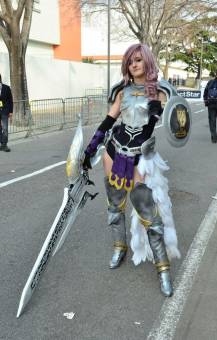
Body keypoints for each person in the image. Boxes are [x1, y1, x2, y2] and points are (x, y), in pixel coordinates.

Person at [83, 43, 180, 297]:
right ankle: (119, 246)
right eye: (130, 61)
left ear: (146, 62)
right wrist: (90, 147)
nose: (133, 64)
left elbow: (153, 124)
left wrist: (142, 147)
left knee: (147, 210)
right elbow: (108, 120)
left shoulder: (156, 92)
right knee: (115, 204)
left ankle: (163, 268)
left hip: (141, 156)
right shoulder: (121, 91)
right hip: (114, 151)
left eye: (138, 60)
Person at [203, 68, 217, 143]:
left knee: (212, 120)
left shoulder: (210, 82)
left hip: (211, 104)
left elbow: (205, 92)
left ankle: (214, 137)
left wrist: (206, 101)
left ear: (216, 73)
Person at [0, 74, 13, 152]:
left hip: (5, 111)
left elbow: (10, 100)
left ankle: (5, 145)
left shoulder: (6, 88)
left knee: (5, 128)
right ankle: (2, 143)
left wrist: (11, 111)